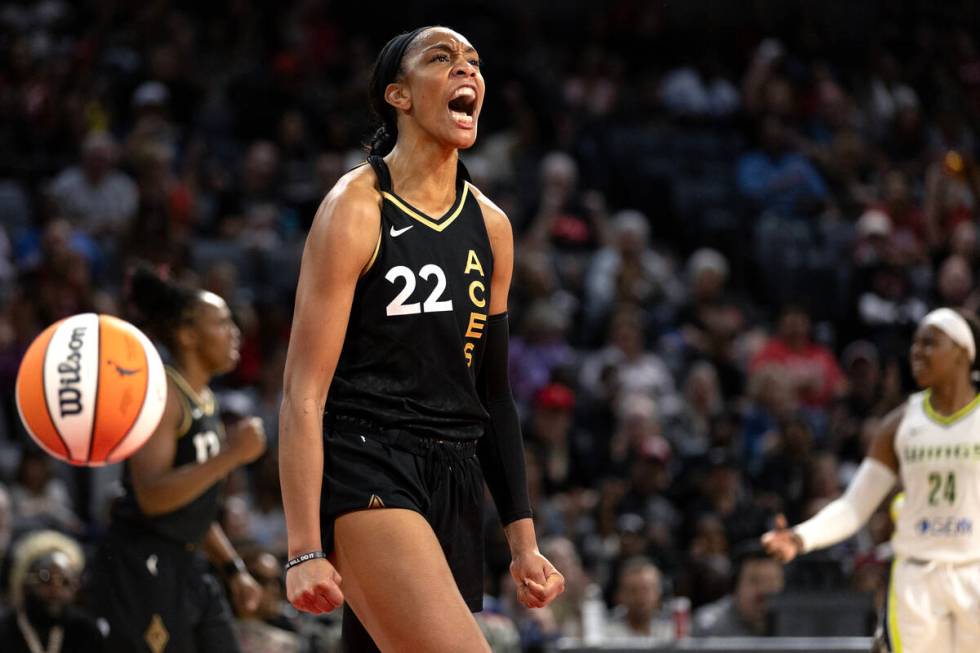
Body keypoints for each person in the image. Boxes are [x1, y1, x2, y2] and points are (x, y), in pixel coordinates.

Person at [279, 26, 564, 652]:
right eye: (443, 59)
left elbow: (494, 395)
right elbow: (303, 391)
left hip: (455, 479)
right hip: (368, 459)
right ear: (399, 95)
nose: (467, 71)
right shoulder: (356, 207)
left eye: (475, 63)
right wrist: (302, 548)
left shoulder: (492, 227)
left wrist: (523, 542)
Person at [762, 307, 980, 652]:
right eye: (914, 344)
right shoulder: (899, 423)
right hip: (917, 576)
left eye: (930, 343)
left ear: (963, 352)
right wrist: (802, 536)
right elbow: (854, 506)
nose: (917, 352)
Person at [88, 266, 267, 653]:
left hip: (188, 565)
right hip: (143, 567)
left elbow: (195, 506)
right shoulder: (161, 395)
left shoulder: (204, 398)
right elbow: (152, 496)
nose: (234, 330)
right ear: (187, 335)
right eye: (221, 322)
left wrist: (233, 567)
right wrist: (231, 456)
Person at [1, 530, 105, 652]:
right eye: (45, 579)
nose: (56, 589)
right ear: (26, 583)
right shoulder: (5, 629)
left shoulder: (87, 632)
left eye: (65, 581)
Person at [692, 542, 785, 637]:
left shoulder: (793, 623)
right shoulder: (709, 627)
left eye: (771, 582)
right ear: (735, 586)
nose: (764, 590)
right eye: (755, 581)